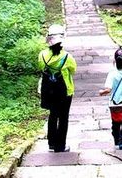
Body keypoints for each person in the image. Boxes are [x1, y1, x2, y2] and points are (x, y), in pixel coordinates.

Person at [37, 24, 76, 152]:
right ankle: (61, 145)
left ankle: (52, 144)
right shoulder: (67, 57)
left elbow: (41, 68)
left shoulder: (42, 55)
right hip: (65, 91)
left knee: (53, 115)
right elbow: (73, 70)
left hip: (49, 91)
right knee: (63, 118)